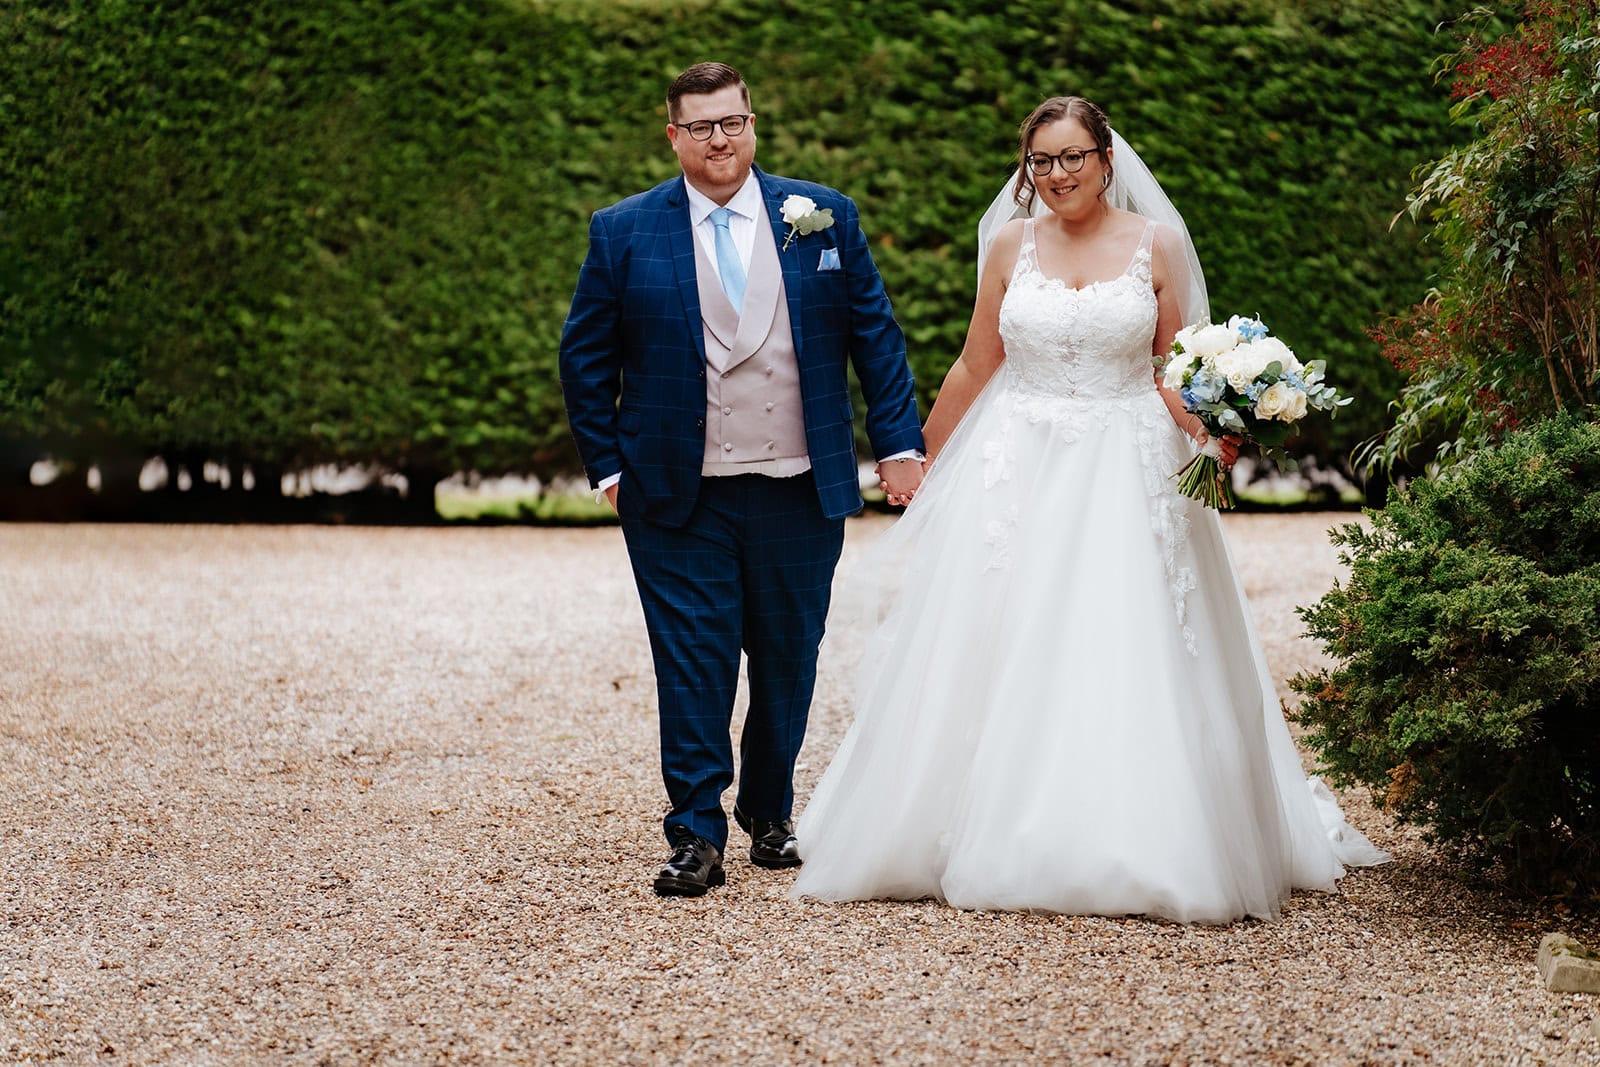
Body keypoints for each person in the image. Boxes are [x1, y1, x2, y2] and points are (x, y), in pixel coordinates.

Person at [790, 96, 1387, 922]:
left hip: (1128, 461)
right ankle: (966, 824)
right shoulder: (1008, 244)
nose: (1058, 174)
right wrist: (918, 457)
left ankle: (1141, 835)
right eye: (1042, 161)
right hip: (1020, 458)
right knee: (999, 631)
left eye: (1073, 157)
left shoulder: (1157, 243)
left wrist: (1220, 427)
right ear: (1026, 169)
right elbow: (974, 362)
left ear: (1106, 158)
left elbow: (1176, 370)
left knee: (1127, 636)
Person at [558, 62, 926, 897]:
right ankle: (694, 831)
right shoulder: (623, 230)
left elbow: (875, 334)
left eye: (733, 122)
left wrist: (899, 441)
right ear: (674, 137)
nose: (720, 139)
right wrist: (610, 466)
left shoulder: (822, 215)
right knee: (694, 659)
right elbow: (584, 358)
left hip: (802, 482)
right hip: (675, 495)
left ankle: (770, 810)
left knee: (790, 656)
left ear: (753, 123)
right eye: (701, 127)